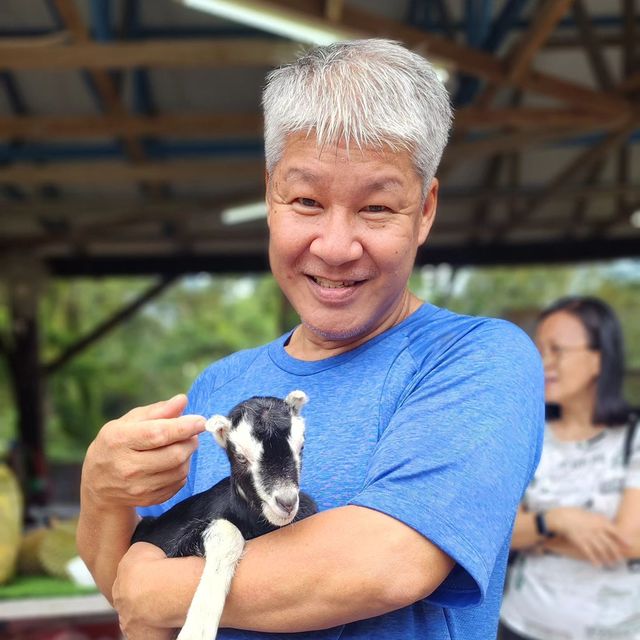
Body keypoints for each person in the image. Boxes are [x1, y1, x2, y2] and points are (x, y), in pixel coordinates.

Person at [77, 39, 544, 639]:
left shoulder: (476, 360)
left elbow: (384, 563)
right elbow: (132, 595)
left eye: (376, 207)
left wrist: (167, 587)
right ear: (270, 197)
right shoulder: (221, 386)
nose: (335, 245)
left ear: (424, 211)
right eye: (306, 201)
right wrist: (102, 491)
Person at [499, 296, 640, 640]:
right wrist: (560, 520)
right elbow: (500, 533)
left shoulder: (633, 436)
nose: (543, 361)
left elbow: (629, 541)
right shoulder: (526, 433)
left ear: (598, 359)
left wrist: (536, 536)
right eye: (539, 349)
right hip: (519, 624)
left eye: (557, 349)